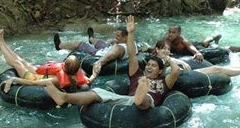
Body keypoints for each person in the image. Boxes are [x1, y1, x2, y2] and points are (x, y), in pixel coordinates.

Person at [46, 16, 181, 110]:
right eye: (148, 65)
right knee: (97, 92)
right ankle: (63, 97)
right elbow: (132, 56)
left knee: (146, 99)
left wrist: (167, 58)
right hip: (127, 101)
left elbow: (175, 71)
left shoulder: (164, 82)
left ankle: (142, 93)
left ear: (160, 71)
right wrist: (131, 32)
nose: (149, 67)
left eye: (154, 66)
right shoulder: (137, 74)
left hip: (148, 103)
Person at [0, 29, 89, 93]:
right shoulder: (79, 75)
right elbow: (85, 83)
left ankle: (0, 45)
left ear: (64, 66)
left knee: (17, 63)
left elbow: (33, 83)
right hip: (42, 75)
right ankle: (3, 43)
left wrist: (14, 79)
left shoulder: (56, 79)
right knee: (22, 61)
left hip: (33, 78)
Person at [54, 26, 138, 80]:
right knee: (100, 42)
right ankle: (91, 38)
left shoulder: (119, 48)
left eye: (118, 36)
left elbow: (109, 56)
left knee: (79, 44)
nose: (116, 38)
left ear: (126, 37)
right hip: (105, 49)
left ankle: (59, 45)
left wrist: (99, 63)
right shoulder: (132, 44)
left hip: (98, 54)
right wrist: (114, 42)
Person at [154, 39, 240, 77]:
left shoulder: (166, 58)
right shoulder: (156, 61)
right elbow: (162, 70)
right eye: (163, 49)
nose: (166, 51)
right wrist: (179, 62)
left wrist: (179, 62)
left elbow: (169, 60)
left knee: (217, 68)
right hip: (185, 76)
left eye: (168, 49)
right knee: (217, 69)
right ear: (157, 49)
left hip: (187, 75)